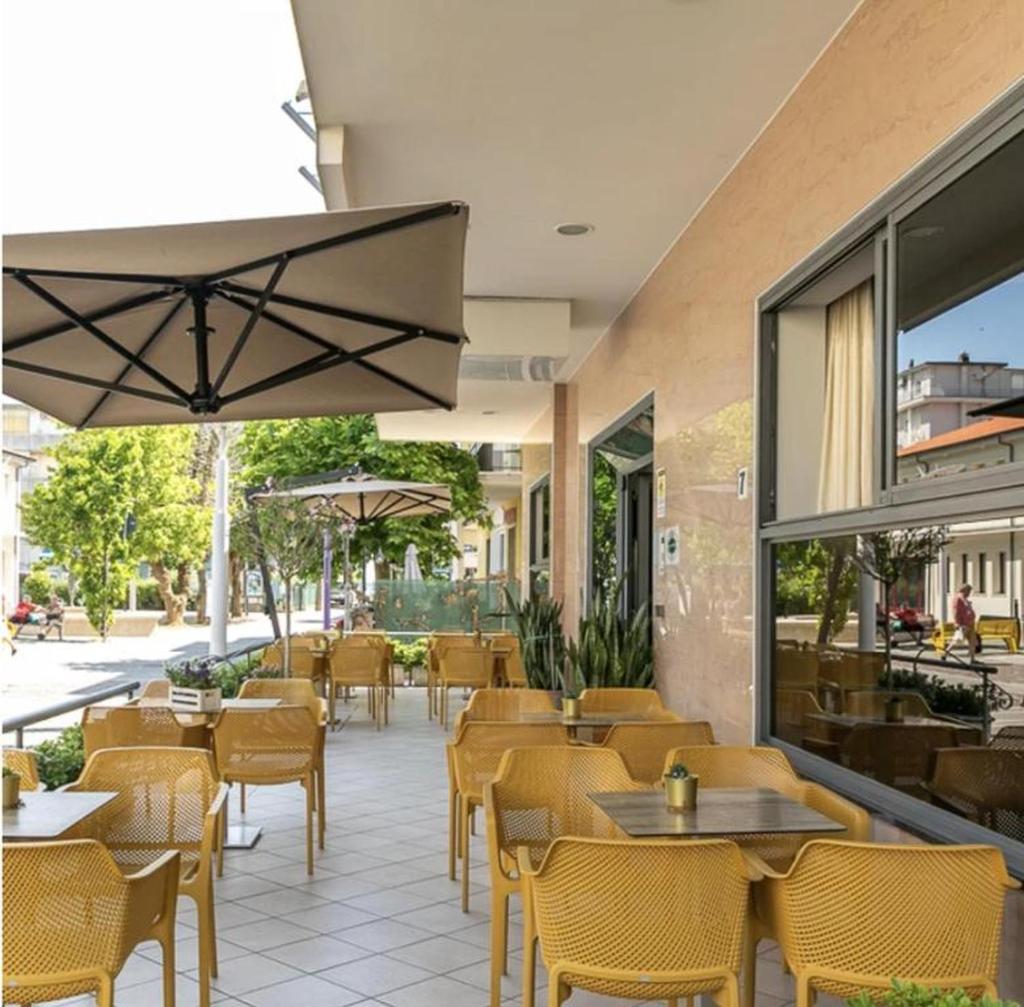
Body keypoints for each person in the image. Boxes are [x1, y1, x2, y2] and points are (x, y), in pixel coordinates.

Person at [949, 583, 978, 660]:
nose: (969, 593)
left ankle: (972, 659)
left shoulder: (963, 598)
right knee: (958, 640)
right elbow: (955, 611)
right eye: (968, 591)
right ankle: (946, 653)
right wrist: (956, 622)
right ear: (964, 590)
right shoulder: (959, 597)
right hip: (963, 623)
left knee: (972, 641)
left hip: (970, 623)